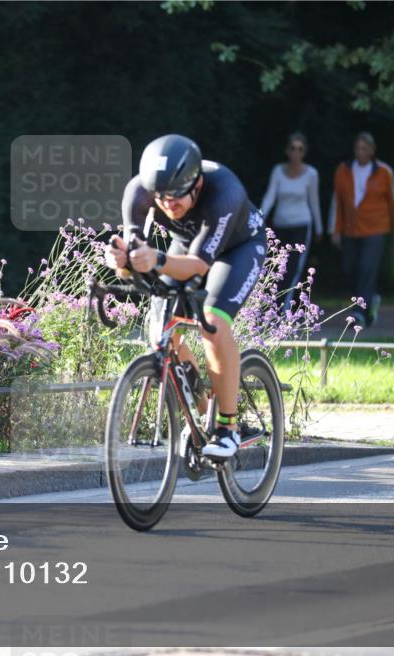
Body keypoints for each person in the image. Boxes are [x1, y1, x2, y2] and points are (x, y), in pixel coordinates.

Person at [103, 134, 266, 458]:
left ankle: (227, 428)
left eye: (177, 197)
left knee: (213, 323)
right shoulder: (138, 191)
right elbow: (134, 254)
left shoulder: (224, 192)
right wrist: (121, 261)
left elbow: (197, 265)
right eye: (161, 198)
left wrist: (158, 260)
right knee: (160, 332)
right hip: (188, 243)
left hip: (237, 249)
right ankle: (201, 416)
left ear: (197, 184)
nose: (168, 205)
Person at [329, 132, 394, 326]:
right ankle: (370, 300)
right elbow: (337, 202)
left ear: (372, 150)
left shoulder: (384, 171)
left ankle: (358, 312)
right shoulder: (343, 170)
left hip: (376, 228)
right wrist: (334, 230)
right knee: (350, 269)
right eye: (358, 148)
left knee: (367, 269)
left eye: (365, 148)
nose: (361, 152)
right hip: (350, 229)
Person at [260, 132, 322, 312]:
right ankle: (271, 307)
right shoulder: (278, 171)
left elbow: (314, 201)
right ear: (287, 151)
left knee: (294, 269)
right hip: (280, 226)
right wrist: (259, 218)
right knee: (277, 268)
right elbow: (269, 197)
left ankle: (282, 311)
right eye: (293, 148)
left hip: (301, 225)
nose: (296, 152)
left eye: (300, 149)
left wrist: (319, 228)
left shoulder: (311, 174)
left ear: (304, 152)